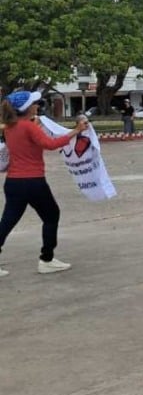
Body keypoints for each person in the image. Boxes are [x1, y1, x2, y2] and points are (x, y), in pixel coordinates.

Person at [0, 91, 89, 278]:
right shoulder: (28, 127)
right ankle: (46, 259)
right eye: (35, 103)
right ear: (27, 108)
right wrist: (76, 131)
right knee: (51, 216)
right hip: (33, 181)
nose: (37, 105)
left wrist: (36, 127)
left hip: (13, 182)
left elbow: (26, 141)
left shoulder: (10, 127)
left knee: (7, 221)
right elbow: (50, 144)